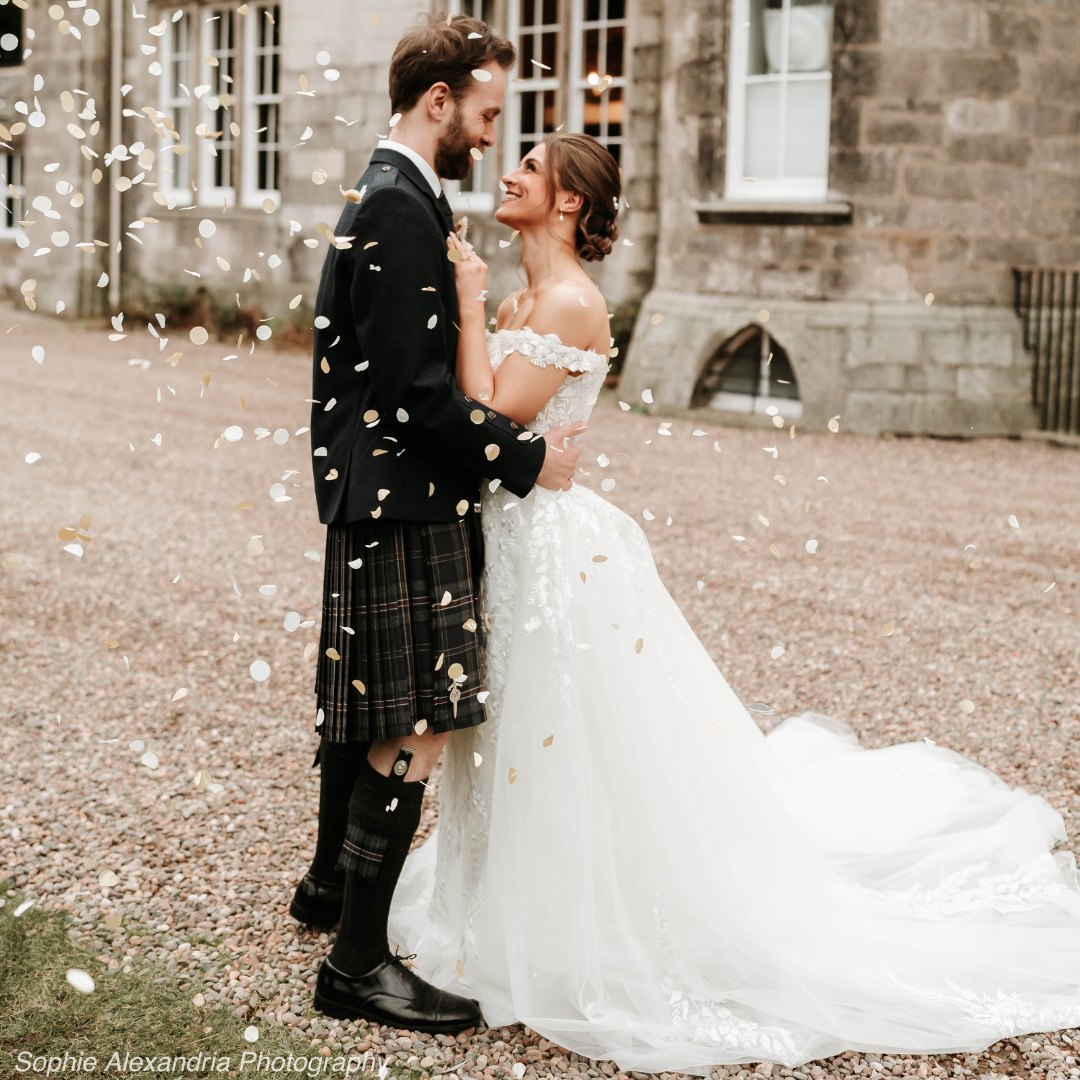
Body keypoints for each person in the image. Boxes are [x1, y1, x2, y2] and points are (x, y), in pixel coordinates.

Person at [387, 131, 1080, 1073]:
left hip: (551, 554)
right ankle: (507, 916)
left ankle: (578, 933)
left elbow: (489, 417)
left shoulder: (568, 301)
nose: (508, 173)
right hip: (506, 542)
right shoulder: (521, 298)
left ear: (568, 204)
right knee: (513, 732)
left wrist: (466, 306)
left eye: (531, 169)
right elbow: (486, 412)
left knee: (564, 733)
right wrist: (476, 304)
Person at [295, 15, 587, 1033]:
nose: (490, 134)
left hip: (390, 495)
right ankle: (356, 968)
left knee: (378, 706)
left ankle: (332, 890)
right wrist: (527, 457)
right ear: (439, 102)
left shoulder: (398, 197)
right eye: (487, 113)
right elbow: (416, 398)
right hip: (402, 499)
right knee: (413, 723)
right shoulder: (399, 208)